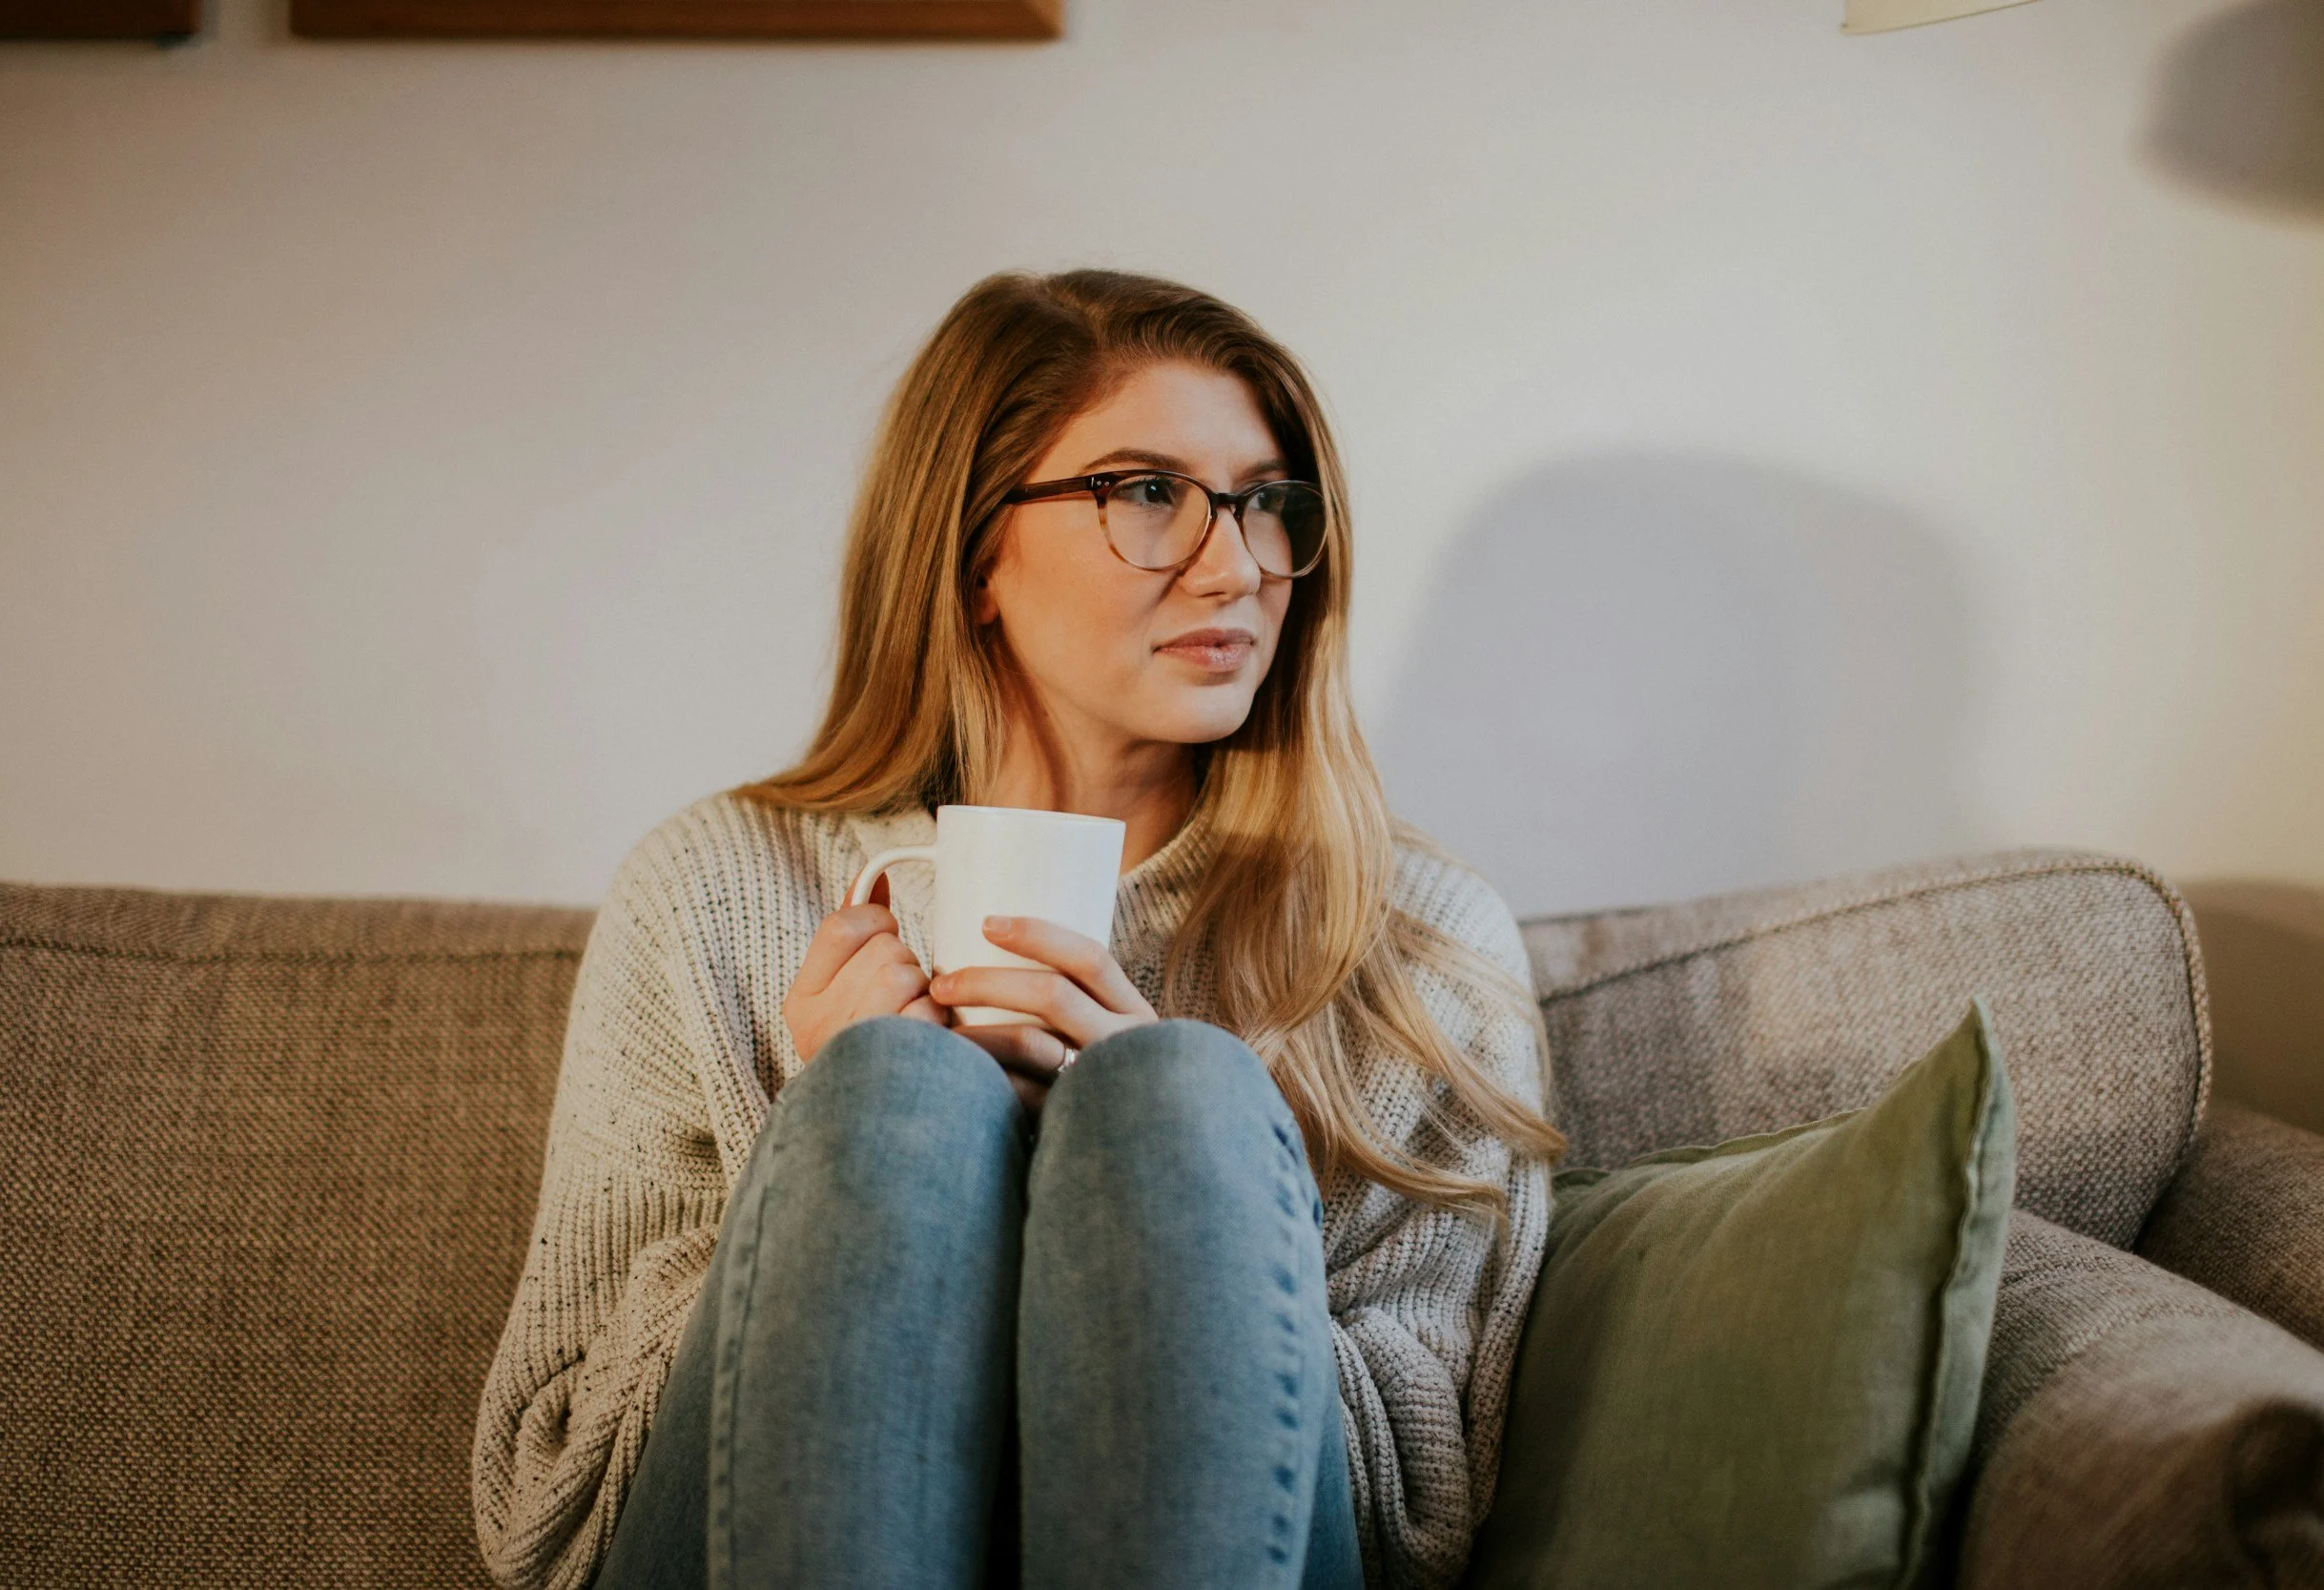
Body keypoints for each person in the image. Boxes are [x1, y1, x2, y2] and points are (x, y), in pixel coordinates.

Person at [470, 269, 1566, 1590]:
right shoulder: (714, 890)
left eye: (1266, 502)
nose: (1235, 564)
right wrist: (832, 1154)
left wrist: (1176, 1193)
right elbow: (550, 1513)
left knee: (1171, 1096)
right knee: (888, 1094)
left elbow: (1420, 1518)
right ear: (977, 550)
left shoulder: (1413, 937)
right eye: (1148, 492)